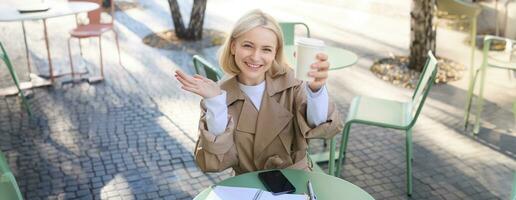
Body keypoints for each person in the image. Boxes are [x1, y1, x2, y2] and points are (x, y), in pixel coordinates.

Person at [175, 9, 343, 175]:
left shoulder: (293, 83)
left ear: (275, 53)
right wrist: (215, 103)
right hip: (248, 184)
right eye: (248, 46)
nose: (256, 57)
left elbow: (324, 129)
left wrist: (316, 90)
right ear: (233, 47)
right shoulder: (219, 96)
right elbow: (213, 163)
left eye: (266, 49)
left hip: (296, 180)